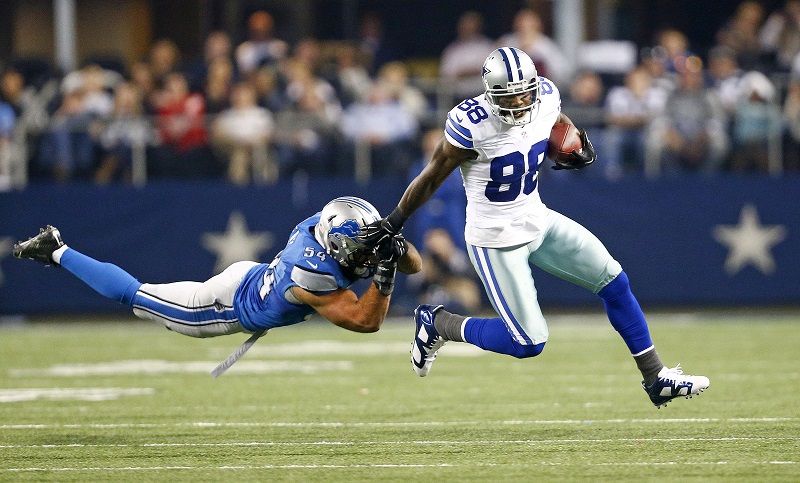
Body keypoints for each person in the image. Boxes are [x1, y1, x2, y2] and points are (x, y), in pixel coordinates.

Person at [357, 47, 709, 408]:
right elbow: (431, 176)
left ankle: (655, 377)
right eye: (511, 96)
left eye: (526, 92)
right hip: (495, 239)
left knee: (614, 280)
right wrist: (393, 221)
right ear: (491, 94)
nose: (522, 102)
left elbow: (555, 118)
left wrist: (575, 140)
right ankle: (439, 323)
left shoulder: (545, 95)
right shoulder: (471, 123)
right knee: (528, 343)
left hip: (536, 217)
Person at [12, 197, 422, 370]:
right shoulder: (309, 274)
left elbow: (414, 265)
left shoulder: (328, 226)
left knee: (138, 294)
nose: (366, 255)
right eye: (361, 248)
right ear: (335, 244)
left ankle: (56, 251)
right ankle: (56, 250)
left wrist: (393, 246)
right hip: (221, 306)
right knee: (135, 294)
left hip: (249, 274)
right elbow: (365, 321)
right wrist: (386, 272)